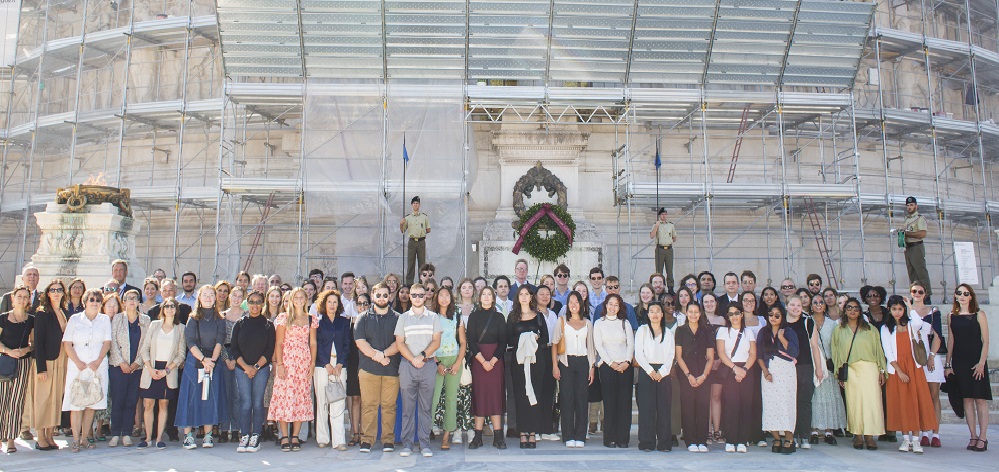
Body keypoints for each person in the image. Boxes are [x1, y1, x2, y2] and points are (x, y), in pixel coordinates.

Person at [175, 285, 229, 450]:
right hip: (195, 361)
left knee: (209, 398)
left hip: (213, 361)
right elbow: (190, 342)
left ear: (215, 298)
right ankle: (188, 436)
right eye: (204, 295)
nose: (208, 297)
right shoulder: (193, 318)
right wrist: (204, 360)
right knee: (190, 398)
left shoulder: (220, 319)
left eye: (211, 295)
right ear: (199, 298)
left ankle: (208, 435)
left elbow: (220, 340)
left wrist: (211, 361)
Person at [882, 295, 937, 453]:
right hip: (897, 369)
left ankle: (916, 439)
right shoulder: (886, 328)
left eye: (900, 309)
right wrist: (899, 372)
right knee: (902, 403)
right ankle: (905, 439)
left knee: (916, 402)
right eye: (894, 309)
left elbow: (919, 323)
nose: (898, 312)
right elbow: (888, 352)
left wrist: (910, 306)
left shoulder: (911, 324)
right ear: (889, 310)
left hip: (914, 367)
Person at [394, 283, 443, 458]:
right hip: (408, 365)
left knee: (425, 407)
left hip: (428, 365)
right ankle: (407, 444)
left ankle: (424, 444)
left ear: (425, 297)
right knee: (407, 407)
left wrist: (421, 356)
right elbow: (400, 342)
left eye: (420, 295)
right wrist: (412, 359)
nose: (417, 298)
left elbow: (436, 341)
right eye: (413, 295)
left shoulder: (433, 317)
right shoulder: (403, 318)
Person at [832, 297, 886, 450]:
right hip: (851, 370)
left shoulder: (870, 329)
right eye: (849, 307)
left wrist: (882, 370)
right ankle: (858, 435)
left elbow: (878, 350)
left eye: (856, 308)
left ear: (860, 311)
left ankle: (870, 436)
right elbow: (835, 352)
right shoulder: (839, 330)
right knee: (854, 403)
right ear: (845, 310)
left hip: (870, 368)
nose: (852, 311)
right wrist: (838, 373)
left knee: (871, 403)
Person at [62, 288, 112, 453]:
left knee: (92, 403)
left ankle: (85, 438)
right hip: (78, 365)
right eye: (92, 299)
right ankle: (75, 440)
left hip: (97, 365)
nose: (95, 302)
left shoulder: (104, 320)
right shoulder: (75, 319)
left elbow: (107, 343)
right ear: (85, 302)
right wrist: (78, 363)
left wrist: (97, 361)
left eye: (98, 300)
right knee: (76, 403)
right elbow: (67, 344)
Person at [268, 287, 318, 452]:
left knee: (300, 398)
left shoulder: (311, 319)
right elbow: (279, 343)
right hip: (287, 363)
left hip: (303, 363)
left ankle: (295, 435)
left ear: (305, 300)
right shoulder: (283, 318)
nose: (298, 300)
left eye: (301, 297)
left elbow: (313, 343)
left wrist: (312, 364)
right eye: (295, 297)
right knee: (284, 398)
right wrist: (280, 364)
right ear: (290, 300)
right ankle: (284, 435)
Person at [353, 283, 401, 453]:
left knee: (389, 406)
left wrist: (384, 355)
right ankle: (367, 440)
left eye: (385, 295)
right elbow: (360, 342)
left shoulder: (397, 318)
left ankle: (388, 440)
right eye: (378, 295)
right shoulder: (363, 318)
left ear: (389, 297)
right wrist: (378, 356)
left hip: (391, 370)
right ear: (372, 297)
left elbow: (400, 343)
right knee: (369, 405)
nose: (382, 298)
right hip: (368, 370)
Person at [945, 284, 991, 452]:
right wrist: (948, 364)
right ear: (955, 296)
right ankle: (972, 435)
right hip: (959, 362)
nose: (962, 296)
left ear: (971, 296)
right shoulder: (951, 316)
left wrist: (981, 363)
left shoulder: (979, 314)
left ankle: (983, 436)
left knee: (980, 399)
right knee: (967, 400)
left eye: (966, 293)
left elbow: (985, 340)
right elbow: (951, 340)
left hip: (976, 362)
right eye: (959, 293)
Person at [228, 290, 274, 453]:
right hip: (242, 369)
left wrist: (255, 368)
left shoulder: (268, 325)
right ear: (247, 304)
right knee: (245, 402)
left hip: (260, 370)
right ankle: (245, 435)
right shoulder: (239, 324)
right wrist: (246, 367)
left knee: (257, 402)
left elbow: (269, 350)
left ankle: (256, 435)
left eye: (258, 302)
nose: (255, 305)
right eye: (252, 302)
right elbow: (234, 349)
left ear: (263, 304)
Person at [137, 297, 186, 450]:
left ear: (176, 310)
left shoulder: (181, 328)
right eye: (167, 306)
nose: (170, 309)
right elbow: (144, 349)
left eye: (173, 306)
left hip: (168, 370)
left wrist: (167, 370)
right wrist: (150, 368)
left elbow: (181, 354)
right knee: (149, 404)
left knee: (164, 404)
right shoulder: (154, 325)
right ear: (162, 309)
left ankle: (159, 438)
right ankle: (147, 438)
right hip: (151, 368)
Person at [464, 286, 508, 450]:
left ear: (493, 297)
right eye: (484, 294)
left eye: (490, 294)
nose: (487, 297)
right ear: (480, 298)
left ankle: (498, 436)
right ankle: (477, 436)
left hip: (496, 361)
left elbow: (503, 342)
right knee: (480, 395)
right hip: (479, 360)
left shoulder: (499, 317)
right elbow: (471, 342)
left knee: (496, 395)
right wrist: (483, 362)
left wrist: (493, 360)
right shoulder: (474, 317)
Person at [551, 291, 595, 448]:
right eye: (571, 302)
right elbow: (554, 344)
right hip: (566, 362)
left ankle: (580, 436)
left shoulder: (588, 323)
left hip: (583, 362)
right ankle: (568, 435)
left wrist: (591, 368)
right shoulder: (561, 321)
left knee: (582, 400)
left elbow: (591, 347)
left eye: (577, 302)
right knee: (567, 399)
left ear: (581, 304)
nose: (574, 305)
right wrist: (555, 366)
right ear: (567, 305)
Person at [108, 289, 150, 447]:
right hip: (118, 367)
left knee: (132, 400)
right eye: (128, 298)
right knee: (118, 399)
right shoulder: (117, 319)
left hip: (136, 368)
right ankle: (115, 434)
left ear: (139, 302)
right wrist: (122, 363)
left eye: (135, 298)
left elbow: (146, 344)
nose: (132, 301)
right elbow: (112, 342)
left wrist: (136, 363)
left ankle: (126, 433)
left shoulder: (145, 320)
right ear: (123, 302)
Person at [32, 279, 69, 451]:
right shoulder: (42, 312)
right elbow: (38, 342)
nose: (56, 292)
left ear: (63, 293)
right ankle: (40, 436)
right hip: (47, 360)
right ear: (48, 293)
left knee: (54, 399)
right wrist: (41, 368)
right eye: (53, 290)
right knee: (43, 399)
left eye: (59, 289)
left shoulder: (63, 311)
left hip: (61, 359)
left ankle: (49, 434)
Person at [758, 305, 799, 454]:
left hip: (786, 371)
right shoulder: (763, 332)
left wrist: (781, 338)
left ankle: (789, 438)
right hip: (769, 372)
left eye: (777, 315)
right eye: (771, 315)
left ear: (782, 316)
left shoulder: (789, 332)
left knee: (786, 404)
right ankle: (776, 438)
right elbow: (759, 355)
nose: (774, 318)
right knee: (771, 405)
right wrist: (766, 372)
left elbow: (795, 352)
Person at [716, 302, 757, 453]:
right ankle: (731, 439)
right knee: (732, 405)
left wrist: (744, 369)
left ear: (741, 314)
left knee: (746, 405)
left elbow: (753, 353)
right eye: (731, 314)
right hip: (730, 369)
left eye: (737, 313)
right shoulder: (722, 331)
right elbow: (721, 353)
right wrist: (735, 369)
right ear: (728, 316)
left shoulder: (749, 332)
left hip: (747, 369)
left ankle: (742, 440)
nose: (734, 317)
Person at [784, 295, 824, 449]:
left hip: (805, 366)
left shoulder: (808, 322)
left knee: (804, 402)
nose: (795, 308)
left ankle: (804, 435)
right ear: (786, 306)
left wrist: (818, 368)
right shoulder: (781, 323)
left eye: (798, 305)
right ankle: (791, 435)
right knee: (790, 402)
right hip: (787, 367)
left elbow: (814, 346)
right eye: (792, 305)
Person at [635, 302, 676, 452]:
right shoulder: (642, 330)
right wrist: (650, 371)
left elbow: (671, 355)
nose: (655, 314)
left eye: (657, 311)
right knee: (647, 409)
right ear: (648, 314)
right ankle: (647, 442)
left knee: (664, 409)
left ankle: (664, 443)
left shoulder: (668, 333)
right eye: (651, 311)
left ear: (662, 314)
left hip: (664, 373)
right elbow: (639, 353)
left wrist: (663, 372)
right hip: (647, 372)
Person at [313, 289, 350, 451]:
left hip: (339, 366)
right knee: (322, 402)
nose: (332, 305)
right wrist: (326, 364)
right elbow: (317, 344)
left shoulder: (344, 322)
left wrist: (340, 363)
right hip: (322, 367)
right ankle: (322, 437)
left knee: (338, 401)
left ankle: (339, 440)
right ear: (324, 304)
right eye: (329, 302)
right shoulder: (318, 322)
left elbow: (347, 345)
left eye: (335, 302)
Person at [674, 302, 714, 452]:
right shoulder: (680, 330)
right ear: (686, 313)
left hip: (704, 372)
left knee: (703, 407)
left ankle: (702, 441)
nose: (693, 314)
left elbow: (710, 357)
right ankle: (690, 441)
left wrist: (703, 375)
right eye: (690, 312)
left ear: (700, 313)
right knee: (688, 407)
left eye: (696, 312)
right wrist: (689, 375)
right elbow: (679, 356)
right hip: (686, 373)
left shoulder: (708, 331)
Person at [0, 286, 34, 454]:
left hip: (23, 363)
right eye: (19, 296)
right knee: (2, 400)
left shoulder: (31, 320)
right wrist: (8, 351)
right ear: (12, 299)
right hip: (5, 361)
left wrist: (25, 351)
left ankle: (11, 438)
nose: (22, 299)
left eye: (25, 296)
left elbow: (33, 343)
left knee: (16, 400)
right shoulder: (3, 318)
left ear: (29, 300)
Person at [809, 293, 847, 445]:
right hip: (813, 363)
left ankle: (829, 430)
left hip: (829, 365)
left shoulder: (833, 324)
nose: (818, 304)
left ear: (825, 305)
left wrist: (836, 364)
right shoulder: (807, 321)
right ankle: (814, 429)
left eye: (821, 302)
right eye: (815, 302)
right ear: (811, 306)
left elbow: (837, 345)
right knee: (815, 397)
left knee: (830, 397)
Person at [909, 281, 944, 447]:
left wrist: (932, 356)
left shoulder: (933, 312)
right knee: (919, 396)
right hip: (914, 357)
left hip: (930, 355)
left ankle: (935, 433)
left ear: (925, 294)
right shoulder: (907, 312)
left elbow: (937, 336)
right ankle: (923, 432)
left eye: (920, 291)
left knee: (933, 395)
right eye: (914, 291)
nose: (917, 294)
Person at [430, 286, 465, 450]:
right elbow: (428, 342)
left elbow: (463, 342)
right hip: (436, 360)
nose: (444, 298)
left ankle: (446, 435)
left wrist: (458, 362)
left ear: (451, 298)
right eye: (441, 295)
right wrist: (437, 362)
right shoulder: (431, 316)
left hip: (453, 358)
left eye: (447, 295)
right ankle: (426, 431)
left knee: (451, 399)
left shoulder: (457, 315)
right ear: (436, 298)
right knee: (433, 398)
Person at [219, 286, 245, 443]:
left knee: (237, 395)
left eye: (239, 296)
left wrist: (236, 358)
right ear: (230, 297)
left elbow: (245, 340)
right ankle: (223, 429)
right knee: (225, 393)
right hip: (224, 356)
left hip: (240, 356)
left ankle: (235, 429)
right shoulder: (221, 316)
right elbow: (219, 340)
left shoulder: (246, 316)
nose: (236, 298)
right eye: (234, 295)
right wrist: (226, 359)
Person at [900, 196, 931, 302]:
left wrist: (907, 233)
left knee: (921, 272)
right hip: (908, 247)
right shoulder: (907, 219)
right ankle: (916, 294)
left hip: (916, 246)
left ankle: (926, 295)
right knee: (912, 273)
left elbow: (922, 233)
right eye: (908, 205)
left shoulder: (920, 218)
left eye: (911, 205)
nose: (909, 207)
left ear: (916, 206)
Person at [401, 196, 432, 284]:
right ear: (411, 205)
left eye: (417, 203)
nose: (415, 205)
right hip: (412, 241)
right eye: (414, 203)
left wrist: (422, 232)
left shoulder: (424, 217)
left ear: (419, 205)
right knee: (411, 263)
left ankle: (422, 282)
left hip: (421, 241)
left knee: (422, 264)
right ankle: (409, 284)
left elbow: (428, 229)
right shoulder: (407, 218)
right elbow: (402, 230)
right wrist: (401, 224)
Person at [649, 208, 678, 294]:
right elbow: (652, 236)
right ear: (659, 215)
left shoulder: (671, 225)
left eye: (665, 214)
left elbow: (674, 237)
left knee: (669, 269)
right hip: (660, 249)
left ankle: (670, 287)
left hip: (669, 249)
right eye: (662, 214)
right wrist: (656, 226)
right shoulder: (656, 224)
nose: (664, 216)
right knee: (659, 270)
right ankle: (659, 287)